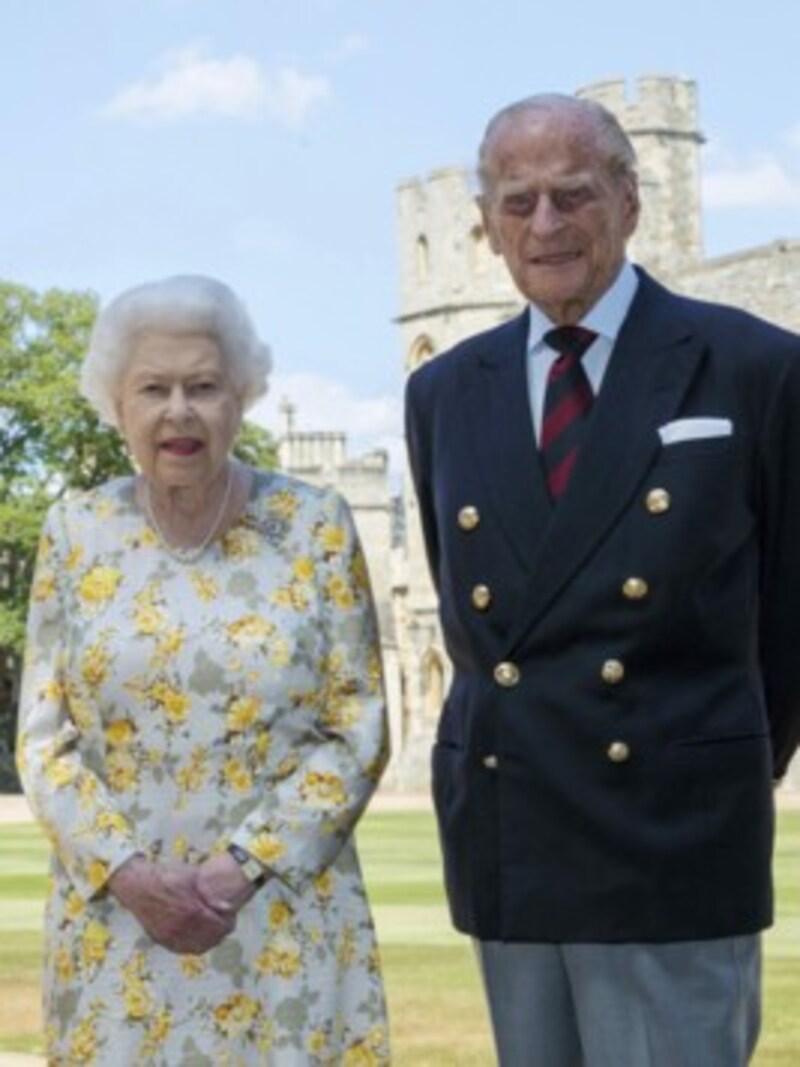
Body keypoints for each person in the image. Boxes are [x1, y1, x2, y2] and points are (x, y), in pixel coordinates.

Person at [404, 93, 800, 1066]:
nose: (543, 225)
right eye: (516, 201)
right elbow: (473, 618)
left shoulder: (752, 366)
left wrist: (707, 767)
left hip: (670, 840)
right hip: (512, 834)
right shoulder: (443, 390)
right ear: (487, 223)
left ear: (628, 200)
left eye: (570, 195)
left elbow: (788, 621)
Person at [17, 274, 390, 1065]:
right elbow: (43, 740)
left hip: (280, 919)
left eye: (204, 385)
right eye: (154, 388)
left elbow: (358, 726)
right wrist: (129, 873)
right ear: (117, 405)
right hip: (118, 927)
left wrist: (241, 866)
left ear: (242, 398)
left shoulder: (314, 525)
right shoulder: (75, 530)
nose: (179, 410)